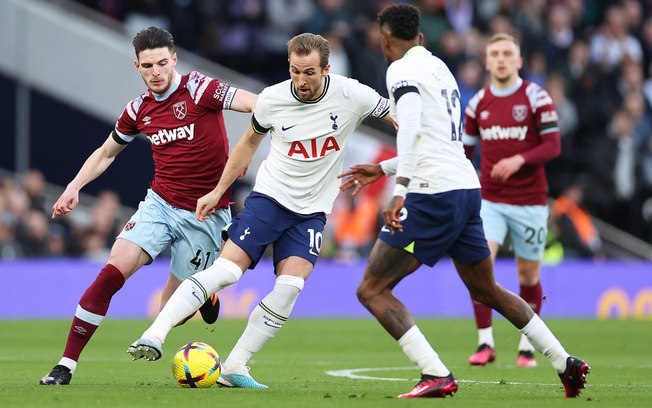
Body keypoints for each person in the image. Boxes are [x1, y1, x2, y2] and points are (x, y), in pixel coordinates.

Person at [337, 4, 589, 399]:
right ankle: (566, 362)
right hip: (466, 190)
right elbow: (437, 140)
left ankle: (435, 372)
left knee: (371, 288)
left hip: (431, 192)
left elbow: (414, 131)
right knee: (488, 288)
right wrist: (383, 170)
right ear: (421, 37)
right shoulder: (440, 69)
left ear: (386, 40)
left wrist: (399, 188)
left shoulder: (399, 69)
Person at [127, 32, 393, 388]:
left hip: (312, 210)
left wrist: (406, 155)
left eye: (310, 73)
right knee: (226, 272)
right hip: (269, 199)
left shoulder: (353, 94)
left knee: (290, 287)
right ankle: (154, 334)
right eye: (295, 71)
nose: (301, 81)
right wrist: (218, 190)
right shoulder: (272, 99)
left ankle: (237, 365)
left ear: (326, 69)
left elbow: (397, 116)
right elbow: (248, 144)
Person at [39, 27, 257, 385]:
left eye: (161, 63)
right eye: (147, 66)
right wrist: (74, 186)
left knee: (166, 313)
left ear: (174, 60)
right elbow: (107, 151)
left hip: (206, 214)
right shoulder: (138, 109)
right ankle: (65, 365)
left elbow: (253, 103)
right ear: (137, 66)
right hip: (159, 204)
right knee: (112, 272)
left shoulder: (200, 88)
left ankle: (208, 298)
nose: (155, 72)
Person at [461, 33, 562, 368]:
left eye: (508, 53)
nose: (501, 59)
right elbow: (465, 152)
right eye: (495, 54)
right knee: (480, 267)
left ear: (518, 61)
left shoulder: (535, 97)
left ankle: (526, 345)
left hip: (530, 202)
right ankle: (485, 342)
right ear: (487, 62)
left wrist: (519, 160)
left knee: (528, 276)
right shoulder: (477, 104)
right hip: (490, 201)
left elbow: (553, 146)